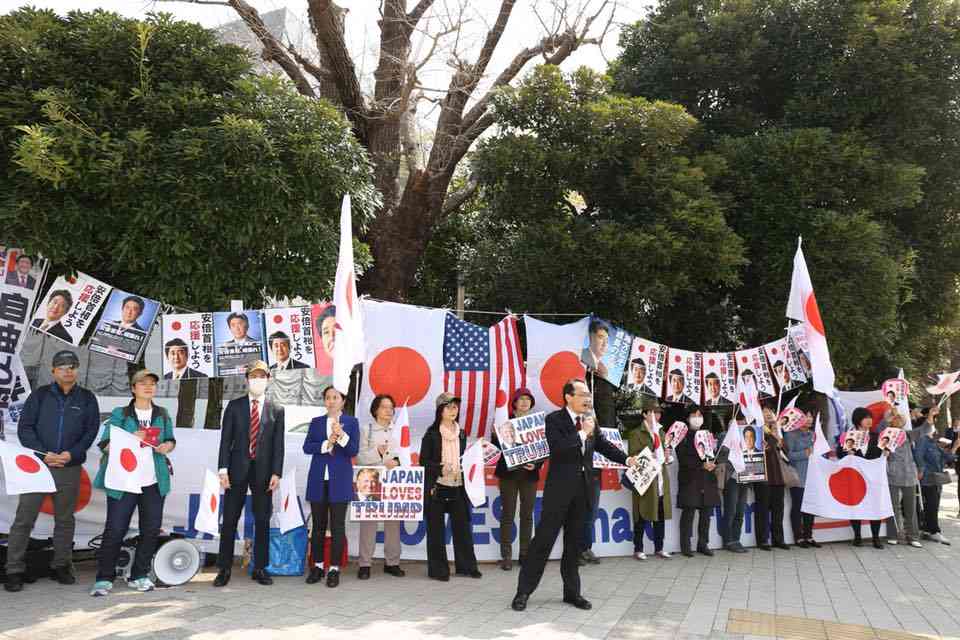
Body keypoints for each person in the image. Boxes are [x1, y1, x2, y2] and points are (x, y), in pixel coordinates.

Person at [512, 379, 638, 612]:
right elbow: (558, 447)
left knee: (574, 546)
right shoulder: (554, 420)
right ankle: (523, 592)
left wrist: (626, 459)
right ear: (568, 397)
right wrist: (582, 434)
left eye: (588, 395)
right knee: (542, 543)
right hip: (558, 492)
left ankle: (572, 593)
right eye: (583, 394)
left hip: (583, 492)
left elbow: (603, 446)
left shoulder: (590, 421)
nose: (588, 399)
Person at [4, 351, 99, 593]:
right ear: (54, 371)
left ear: (77, 370)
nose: (68, 370)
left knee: (65, 519)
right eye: (62, 366)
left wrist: (71, 454)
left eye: (73, 366)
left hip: (69, 466)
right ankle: (13, 569)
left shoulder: (87, 398)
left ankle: (61, 566)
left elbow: (90, 431)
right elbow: (25, 428)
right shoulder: (40, 396)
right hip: (37, 466)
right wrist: (43, 453)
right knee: (24, 519)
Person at [89, 370, 176, 596]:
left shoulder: (162, 413)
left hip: (153, 481)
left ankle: (140, 575)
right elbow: (105, 444)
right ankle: (104, 578)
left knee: (150, 529)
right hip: (123, 481)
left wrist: (168, 446)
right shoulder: (121, 414)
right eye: (143, 383)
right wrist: (129, 440)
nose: (148, 387)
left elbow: (170, 439)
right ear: (133, 388)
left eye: (152, 384)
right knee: (115, 529)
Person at [214, 360, 284, 587]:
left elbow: (278, 445)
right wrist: (223, 469)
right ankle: (224, 568)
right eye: (254, 376)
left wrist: (276, 472)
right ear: (247, 379)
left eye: (262, 376)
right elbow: (226, 441)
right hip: (236, 470)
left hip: (264, 473)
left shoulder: (276, 409)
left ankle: (260, 567)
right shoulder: (234, 406)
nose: (258, 380)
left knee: (262, 519)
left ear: (268, 379)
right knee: (230, 518)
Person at [420, 393, 481, 581]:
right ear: (440, 410)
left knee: (463, 528)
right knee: (436, 531)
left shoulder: (461, 433)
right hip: (437, 486)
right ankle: (439, 570)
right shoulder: (431, 434)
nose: (452, 410)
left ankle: (467, 567)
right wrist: (439, 467)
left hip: (458, 485)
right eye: (448, 407)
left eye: (455, 407)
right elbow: (424, 461)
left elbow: (466, 458)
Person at [304, 385, 359, 587]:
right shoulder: (317, 422)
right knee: (318, 527)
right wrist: (325, 444)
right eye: (328, 397)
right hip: (318, 480)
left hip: (340, 481)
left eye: (335, 397)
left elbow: (353, 450)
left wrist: (341, 435)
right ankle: (317, 566)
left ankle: (334, 569)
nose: (331, 401)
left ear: (343, 400)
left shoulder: (351, 422)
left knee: (337, 526)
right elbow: (307, 447)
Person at [491, 388, 543, 570]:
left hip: (529, 476)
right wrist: (495, 433)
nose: (524, 402)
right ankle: (506, 556)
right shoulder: (504, 422)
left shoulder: (536, 424)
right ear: (514, 403)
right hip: (508, 475)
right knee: (508, 515)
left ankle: (525, 554)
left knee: (527, 515)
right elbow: (495, 448)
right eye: (521, 399)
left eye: (528, 399)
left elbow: (543, 451)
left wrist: (536, 464)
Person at [356, 394, 405, 579]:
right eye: (384, 407)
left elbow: (404, 454)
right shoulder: (366, 430)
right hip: (371, 482)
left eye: (391, 407)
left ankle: (392, 562)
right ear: (375, 409)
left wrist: (397, 462)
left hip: (393, 483)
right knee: (368, 523)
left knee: (393, 523)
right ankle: (365, 564)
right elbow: (360, 457)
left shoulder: (398, 430)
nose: (388, 411)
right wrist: (379, 454)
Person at [627, 398, 672, 560]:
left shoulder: (661, 432)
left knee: (660, 515)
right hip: (644, 480)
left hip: (659, 478)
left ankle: (659, 548)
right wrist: (648, 455)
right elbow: (632, 455)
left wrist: (667, 456)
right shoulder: (636, 433)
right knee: (642, 514)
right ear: (645, 414)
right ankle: (638, 548)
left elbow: (666, 457)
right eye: (653, 412)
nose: (656, 416)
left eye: (658, 413)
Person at [676, 404, 719, 557]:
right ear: (687, 418)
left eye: (699, 415)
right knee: (689, 512)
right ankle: (685, 545)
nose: (697, 418)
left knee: (706, 513)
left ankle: (703, 543)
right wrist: (701, 464)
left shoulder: (707, 435)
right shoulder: (682, 435)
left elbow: (713, 454)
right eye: (694, 415)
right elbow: (682, 458)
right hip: (690, 479)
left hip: (707, 479)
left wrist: (713, 462)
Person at [838, 407, 884, 549]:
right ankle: (857, 536)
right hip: (855, 477)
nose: (869, 420)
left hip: (873, 478)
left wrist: (886, 454)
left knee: (874, 507)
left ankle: (876, 538)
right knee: (855, 506)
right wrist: (848, 453)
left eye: (870, 417)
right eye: (866, 418)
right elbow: (840, 453)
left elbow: (882, 453)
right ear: (858, 420)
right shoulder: (849, 436)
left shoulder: (877, 436)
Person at [915, 412, 959, 545]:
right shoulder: (922, 440)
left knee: (933, 505)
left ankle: (929, 530)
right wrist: (921, 469)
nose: (934, 427)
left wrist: (956, 447)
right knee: (932, 505)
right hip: (928, 478)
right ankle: (934, 531)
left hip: (936, 478)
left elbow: (947, 457)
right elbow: (918, 456)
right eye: (931, 424)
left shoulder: (932, 442)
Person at [882, 410, 921, 548]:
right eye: (896, 418)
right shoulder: (885, 432)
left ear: (904, 422)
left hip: (909, 474)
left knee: (910, 507)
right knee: (893, 506)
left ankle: (913, 536)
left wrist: (930, 416)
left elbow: (924, 429)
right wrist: (888, 418)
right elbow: (880, 432)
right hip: (892, 474)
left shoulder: (908, 434)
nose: (898, 420)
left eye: (901, 419)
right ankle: (893, 535)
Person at [783, 402, 819, 548]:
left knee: (811, 507)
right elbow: (789, 456)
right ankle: (798, 537)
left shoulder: (814, 435)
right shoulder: (791, 434)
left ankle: (809, 535)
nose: (809, 419)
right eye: (806, 415)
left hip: (812, 477)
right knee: (798, 507)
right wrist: (805, 453)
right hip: (797, 476)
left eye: (811, 416)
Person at [753, 407, 788, 551]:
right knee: (762, 508)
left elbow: (787, 451)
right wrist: (773, 436)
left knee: (778, 509)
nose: (768, 415)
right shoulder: (757, 431)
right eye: (764, 413)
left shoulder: (778, 431)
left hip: (778, 475)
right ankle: (763, 540)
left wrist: (778, 436)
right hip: (762, 474)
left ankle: (778, 539)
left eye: (770, 412)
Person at [718, 418, 748, 553]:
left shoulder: (748, 436)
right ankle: (728, 540)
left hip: (745, 478)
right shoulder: (724, 436)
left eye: (743, 423)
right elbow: (720, 454)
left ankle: (736, 539)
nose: (741, 425)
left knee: (740, 511)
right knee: (731, 510)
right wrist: (733, 440)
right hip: (731, 478)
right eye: (738, 423)